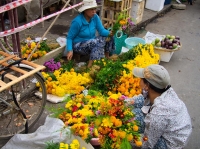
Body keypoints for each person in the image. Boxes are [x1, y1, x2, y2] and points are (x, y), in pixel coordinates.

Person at [127, 64, 192, 149]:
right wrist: (121, 102)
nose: (139, 81)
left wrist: (126, 138)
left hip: (170, 143)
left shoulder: (158, 113)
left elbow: (147, 143)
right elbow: (142, 98)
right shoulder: (164, 90)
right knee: (132, 115)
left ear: (147, 86)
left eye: (141, 79)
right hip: (172, 128)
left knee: (128, 136)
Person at [66, 0, 115, 67]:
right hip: (78, 45)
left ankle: (107, 57)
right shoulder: (77, 21)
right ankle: (90, 67)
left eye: (95, 9)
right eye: (91, 9)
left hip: (92, 41)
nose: (94, 11)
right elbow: (69, 37)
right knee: (95, 42)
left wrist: (109, 33)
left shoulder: (95, 17)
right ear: (85, 10)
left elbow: (101, 31)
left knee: (108, 37)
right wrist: (70, 50)